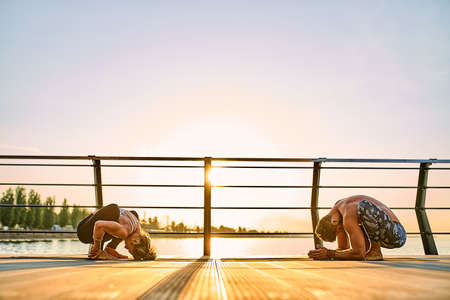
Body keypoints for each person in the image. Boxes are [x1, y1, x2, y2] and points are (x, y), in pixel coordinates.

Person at [308, 195, 406, 261]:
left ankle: (376, 251)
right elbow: (343, 248)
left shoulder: (348, 212)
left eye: (338, 231)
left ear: (334, 221)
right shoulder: (339, 207)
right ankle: (371, 251)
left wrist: (329, 254)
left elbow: (359, 254)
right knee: (359, 220)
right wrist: (323, 253)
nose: (341, 232)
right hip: (385, 233)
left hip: (396, 234)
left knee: (364, 206)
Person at [77, 203, 156, 260]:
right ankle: (98, 251)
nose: (125, 247)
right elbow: (98, 225)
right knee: (114, 211)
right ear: (135, 241)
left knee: (132, 216)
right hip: (83, 233)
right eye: (129, 249)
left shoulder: (137, 227)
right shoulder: (124, 231)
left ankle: (110, 249)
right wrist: (97, 247)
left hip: (88, 222)